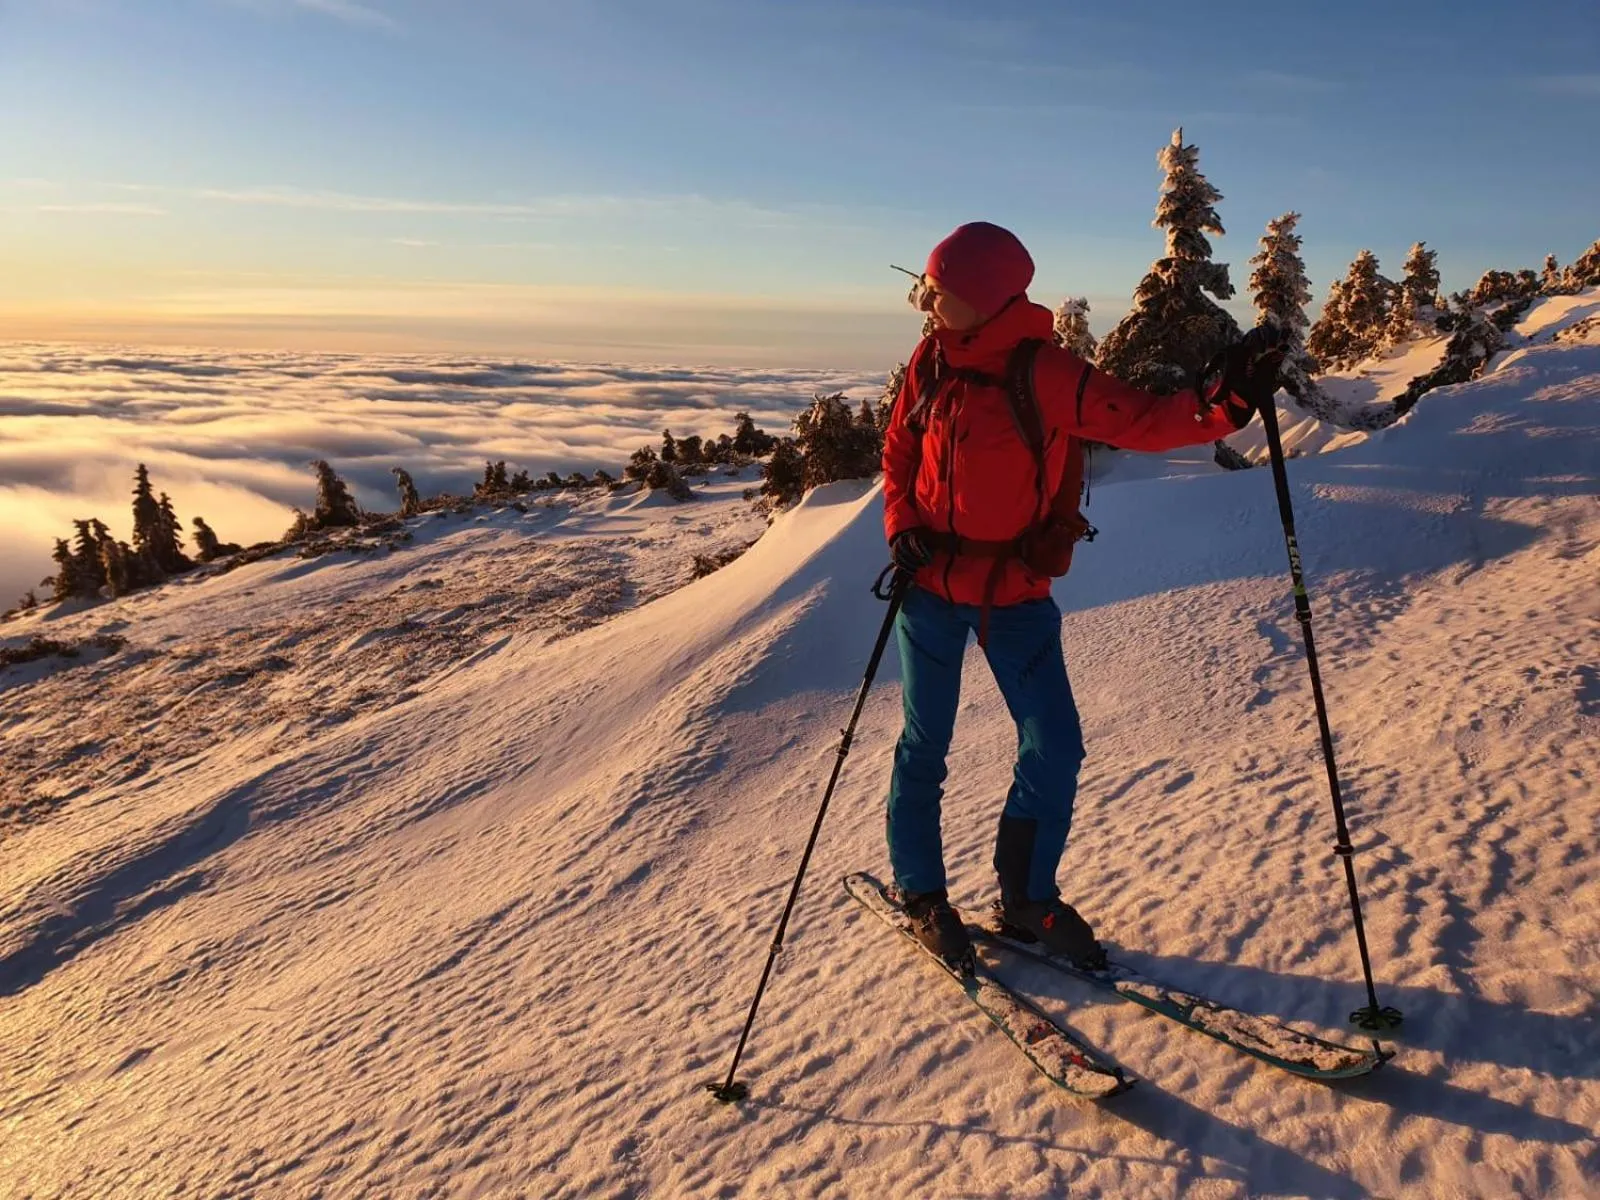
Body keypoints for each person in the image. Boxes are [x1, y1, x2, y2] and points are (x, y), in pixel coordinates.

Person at [881, 221, 1281, 969]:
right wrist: (902, 522)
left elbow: (1143, 419)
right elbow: (900, 447)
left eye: (936, 291)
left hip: (1015, 593)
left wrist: (1225, 407)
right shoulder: (930, 359)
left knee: (1055, 745)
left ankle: (1026, 898)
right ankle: (922, 894)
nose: (926, 305)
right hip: (929, 587)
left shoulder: (1046, 372)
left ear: (985, 297)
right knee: (923, 744)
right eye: (925, 291)